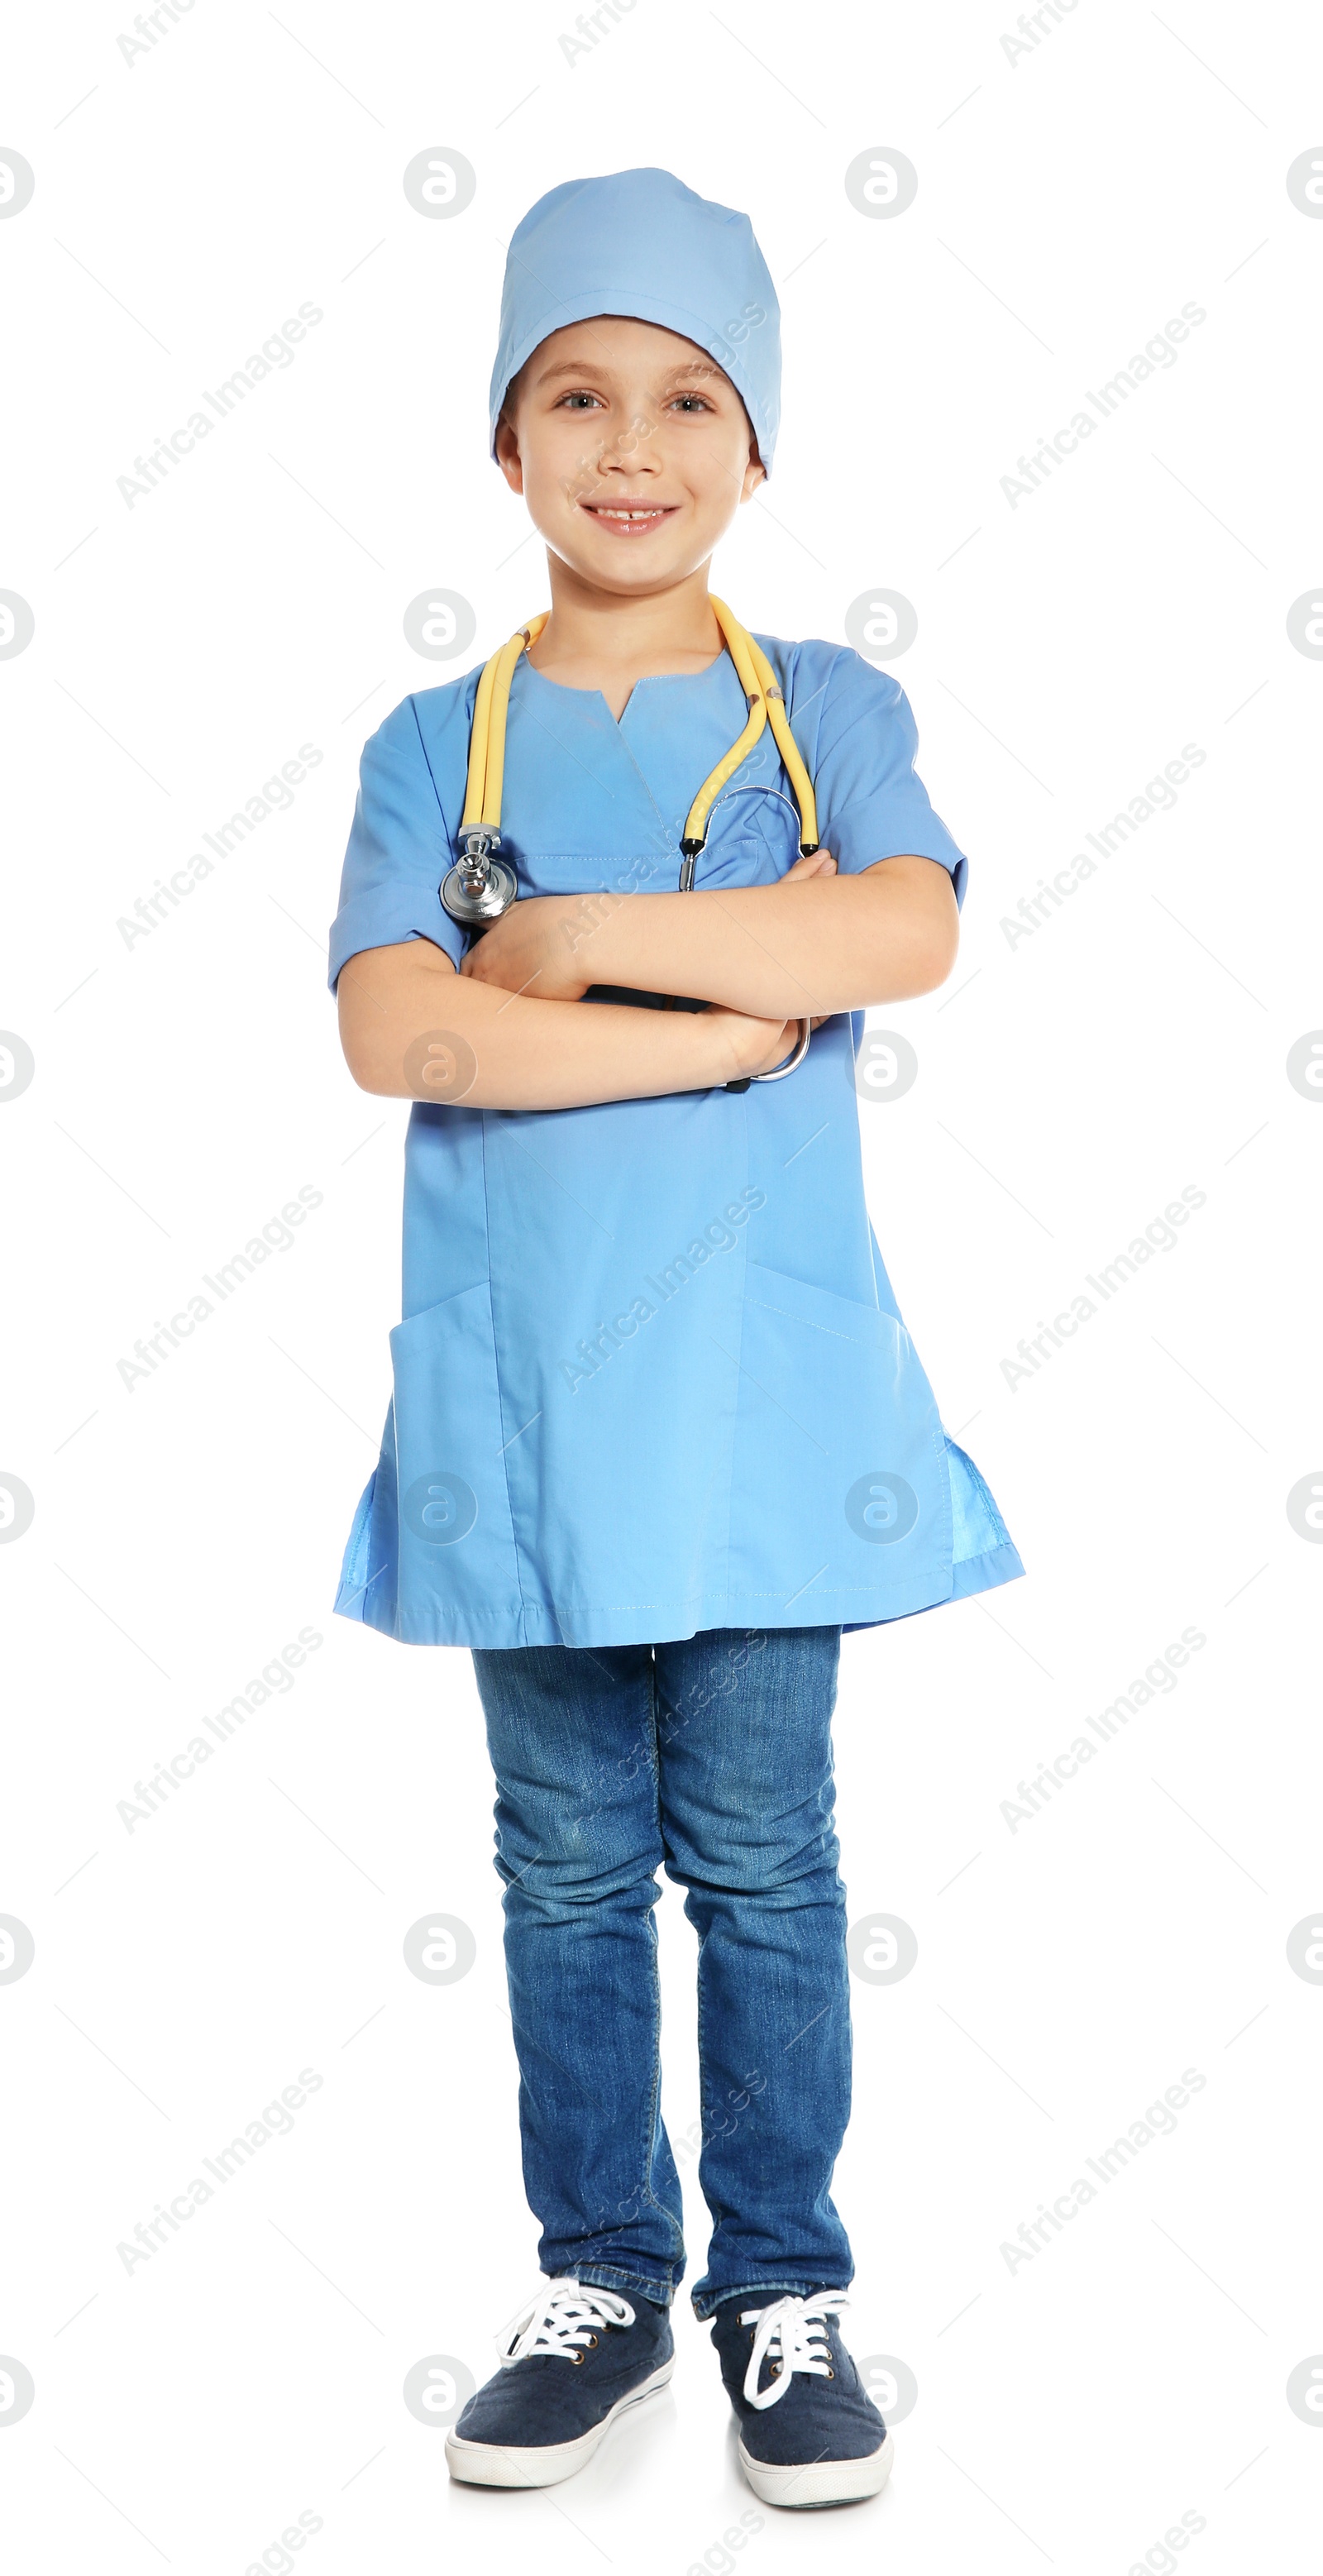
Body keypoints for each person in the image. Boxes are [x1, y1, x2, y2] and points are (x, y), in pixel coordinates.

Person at [329, 167, 1024, 2512]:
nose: (634, 442)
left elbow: (904, 936)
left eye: (689, 397)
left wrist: (575, 947)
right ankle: (607, 2279)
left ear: (758, 448)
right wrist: (718, 1023)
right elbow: (399, 1041)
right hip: (526, 1411)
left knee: (762, 1853)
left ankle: (784, 2290)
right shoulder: (440, 744)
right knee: (552, 1862)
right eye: (577, 394)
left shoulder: (826, 709)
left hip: (755, 1409)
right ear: (503, 447)